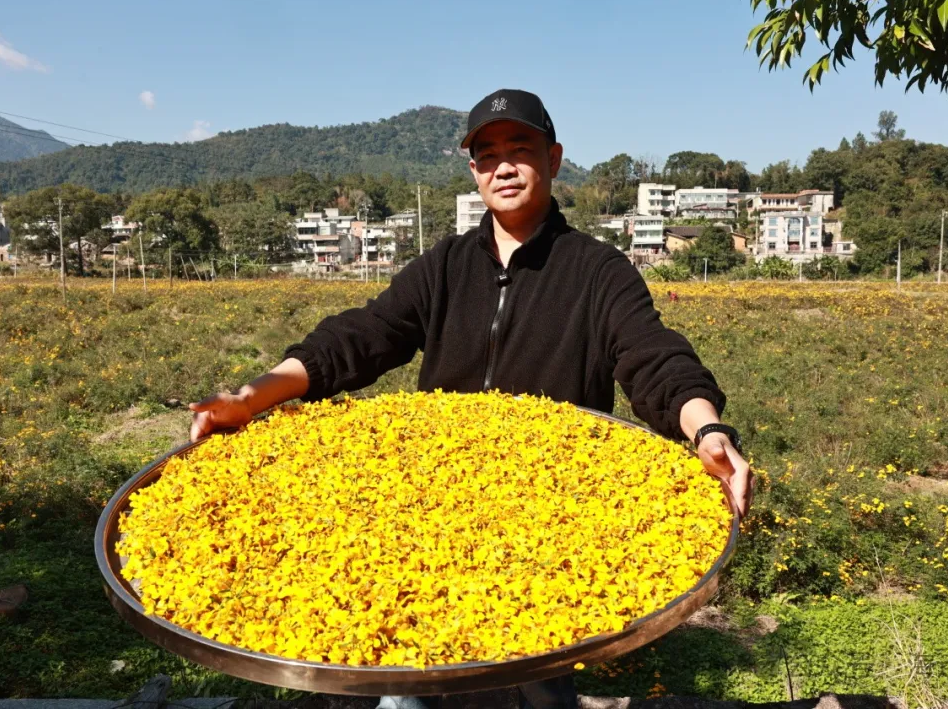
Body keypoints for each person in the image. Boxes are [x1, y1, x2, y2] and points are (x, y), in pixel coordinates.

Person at [188, 89, 754, 709]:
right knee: (407, 681)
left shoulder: (596, 271)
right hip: (431, 520)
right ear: (473, 171)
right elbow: (360, 338)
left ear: (555, 158)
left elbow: (653, 356)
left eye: (520, 150)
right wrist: (253, 396)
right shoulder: (446, 266)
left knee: (535, 680)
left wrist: (706, 431)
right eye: (488, 155)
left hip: (546, 530)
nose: (503, 167)